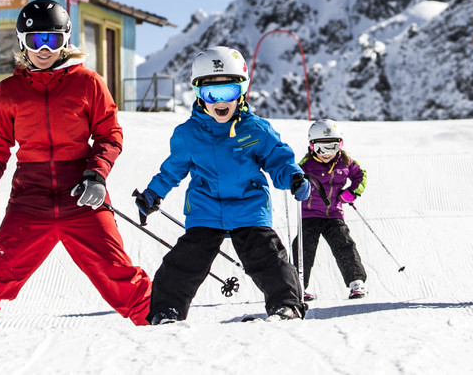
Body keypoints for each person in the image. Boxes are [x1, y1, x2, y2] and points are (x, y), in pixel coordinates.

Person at [0, 0, 151, 331]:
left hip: (82, 198)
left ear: (65, 40)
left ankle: (165, 329)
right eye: (35, 39)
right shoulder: (10, 92)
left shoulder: (88, 83)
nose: (43, 48)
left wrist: (96, 175)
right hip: (31, 201)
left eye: (52, 39)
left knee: (119, 274)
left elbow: (109, 134)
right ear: (22, 40)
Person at [135, 46, 311, 322]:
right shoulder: (188, 135)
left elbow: (278, 158)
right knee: (184, 262)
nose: (220, 102)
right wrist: (153, 194)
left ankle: (285, 306)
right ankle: (165, 311)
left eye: (228, 92)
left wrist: (293, 176)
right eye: (211, 94)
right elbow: (172, 170)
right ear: (198, 94)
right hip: (205, 210)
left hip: (248, 208)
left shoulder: (255, 130)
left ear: (241, 91)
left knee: (269, 259)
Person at [294, 118, 368, 301]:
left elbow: (361, 175)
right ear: (312, 147)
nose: (326, 153)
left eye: (332, 147)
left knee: (344, 244)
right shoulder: (306, 165)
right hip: (309, 215)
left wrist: (352, 193)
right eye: (321, 148)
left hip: (333, 213)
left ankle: (356, 282)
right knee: (303, 248)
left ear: (340, 146)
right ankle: (297, 286)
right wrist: (296, 183)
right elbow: (293, 177)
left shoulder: (346, 162)